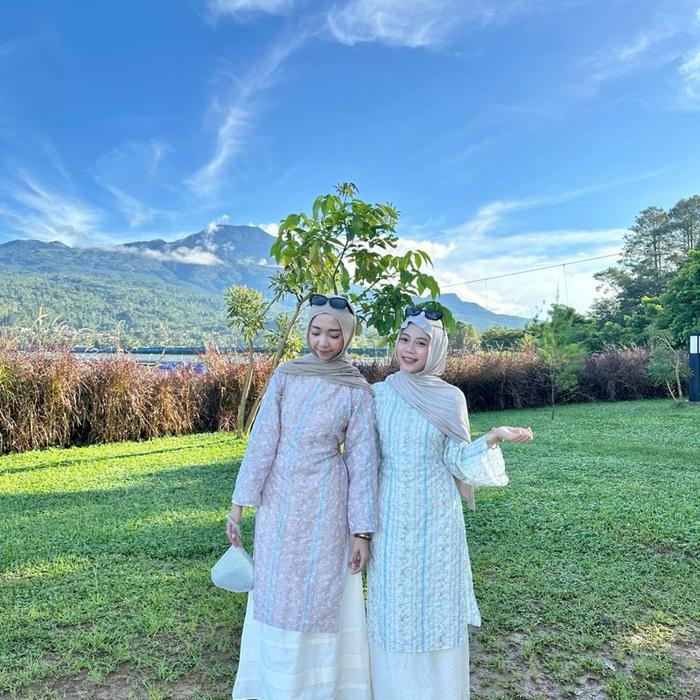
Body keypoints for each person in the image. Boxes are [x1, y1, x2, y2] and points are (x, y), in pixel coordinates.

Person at [366, 306, 533, 700]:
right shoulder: (379, 394)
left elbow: (456, 459)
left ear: (437, 349)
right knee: (392, 608)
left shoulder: (449, 397)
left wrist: (492, 436)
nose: (409, 350)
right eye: (404, 339)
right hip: (390, 516)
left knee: (436, 608)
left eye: (421, 343)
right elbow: (366, 457)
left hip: (437, 521)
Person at [226, 294, 378, 700]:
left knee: (323, 591)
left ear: (347, 337)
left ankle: (324, 688)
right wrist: (239, 504)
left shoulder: (357, 389)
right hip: (279, 499)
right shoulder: (286, 375)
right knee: (275, 589)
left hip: (328, 502)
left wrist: (361, 532)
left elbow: (363, 462)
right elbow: (263, 440)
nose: (323, 342)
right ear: (306, 331)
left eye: (334, 334)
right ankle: (272, 685)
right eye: (316, 331)